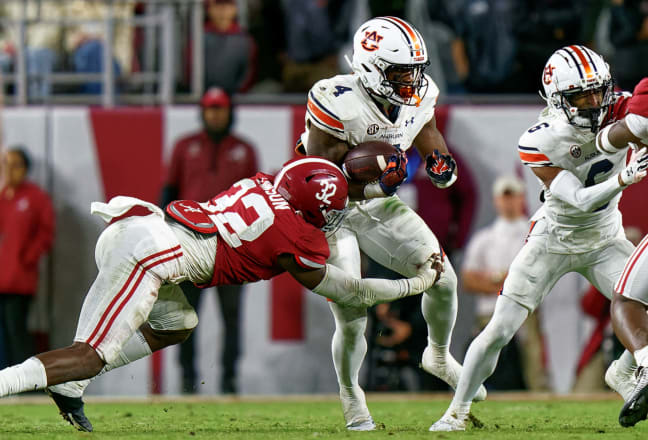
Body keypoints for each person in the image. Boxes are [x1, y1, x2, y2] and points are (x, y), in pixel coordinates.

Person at [0, 156, 440, 432]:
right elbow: (352, 291)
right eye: (326, 213)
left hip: (145, 230)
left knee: (178, 324)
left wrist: (376, 187)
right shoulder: (293, 240)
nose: (331, 219)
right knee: (90, 354)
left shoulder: (267, 183)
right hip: (149, 255)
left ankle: (71, 387)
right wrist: (414, 284)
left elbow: (315, 177)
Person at [430, 46, 648, 432]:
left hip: (605, 239)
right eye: (579, 97)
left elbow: (645, 116)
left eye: (597, 91)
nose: (592, 102)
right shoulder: (541, 138)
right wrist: (622, 179)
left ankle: (624, 373)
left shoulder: (623, 108)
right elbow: (579, 199)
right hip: (553, 238)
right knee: (500, 329)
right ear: (557, 100)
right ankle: (457, 409)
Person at [296, 16, 487, 431]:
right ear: (368, 66)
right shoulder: (335, 99)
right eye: (401, 72)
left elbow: (427, 130)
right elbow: (316, 181)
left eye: (416, 70)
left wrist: (441, 162)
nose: (412, 81)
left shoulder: (419, 94)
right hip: (332, 211)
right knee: (352, 315)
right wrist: (375, 186)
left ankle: (436, 352)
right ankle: (351, 394)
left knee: (444, 278)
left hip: (380, 203)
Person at [161, 86, 257, 394]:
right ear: (202, 112)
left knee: (232, 317)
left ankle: (230, 378)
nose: (215, 114)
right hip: (191, 246)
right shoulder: (184, 146)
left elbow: (257, 201)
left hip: (231, 248)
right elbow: (169, 194)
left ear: (230, 111)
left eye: (221, 108)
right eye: (210, 108)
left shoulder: (244, 149)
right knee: (185, 316)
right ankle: (188, 379)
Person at [592, 77, 648, 427]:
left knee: (627, 300)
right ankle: (623, 370)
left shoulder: (645, 107)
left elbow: (606, 140)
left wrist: (639, 133)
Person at [461, 175, 547, 391]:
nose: (508, 202)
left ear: (521, 198)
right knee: (486, 370)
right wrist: (507, 284)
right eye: (504, 197)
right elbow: (468, 279)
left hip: (525, 314)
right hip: (489, 314)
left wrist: (493, 280)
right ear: (496, 200)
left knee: (533, 369)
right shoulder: (484, 238)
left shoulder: (533, 234)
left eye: (513, 196)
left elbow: (539, 273)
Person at [0, 147, 54, 368]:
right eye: (6, 164)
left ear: (25, 168)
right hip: (2, 276)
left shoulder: (35, 197)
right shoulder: (3, 197)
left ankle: (27, 384)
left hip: (19, 280)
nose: (9, 170)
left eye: (15, 165)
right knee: (3, 336)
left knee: (17, 331)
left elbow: (46, 233)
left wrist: (27, 258)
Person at [201, 0, 257, 94]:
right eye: (217, 6)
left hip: (236, 99)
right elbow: (189, 70)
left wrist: (237, 94)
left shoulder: (245, 40)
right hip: (204, 98)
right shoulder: (198, 37)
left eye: (227, 5)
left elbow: (249, 73)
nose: (222, 11)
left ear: (235, 9)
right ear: (208, 9)